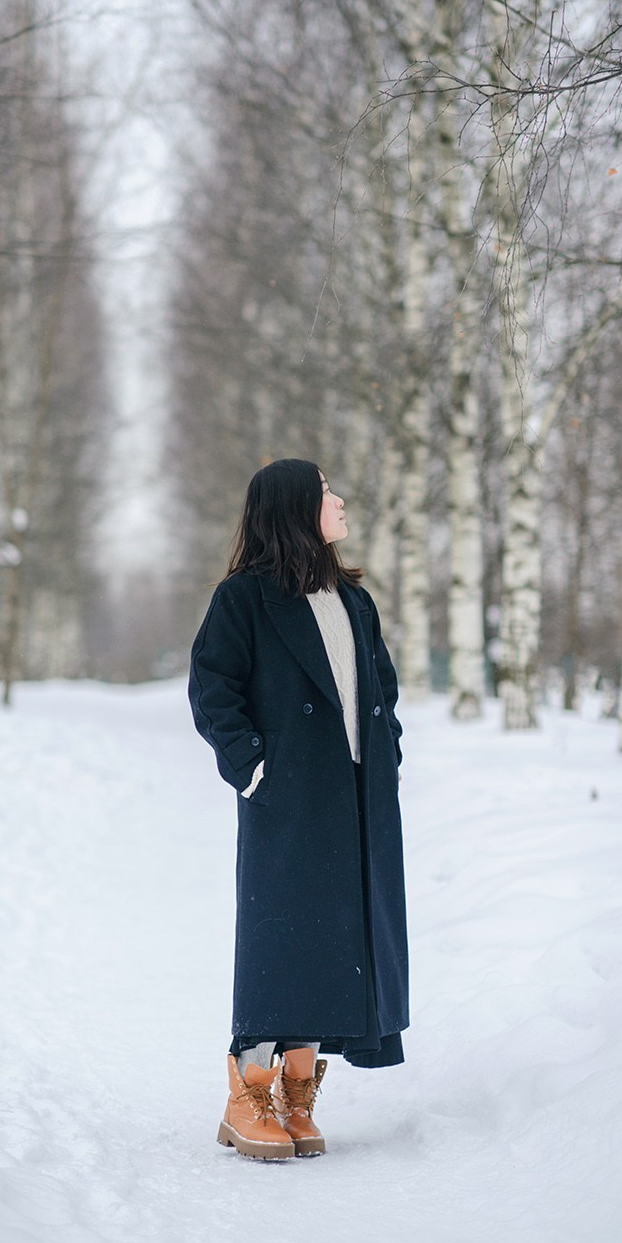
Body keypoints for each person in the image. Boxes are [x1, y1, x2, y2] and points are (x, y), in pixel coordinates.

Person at [188, 458, 409, 1161]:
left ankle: (297, 1087)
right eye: (324, 494)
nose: (339, 501)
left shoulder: (354, 601)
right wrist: (253, 766)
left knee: (337, 940)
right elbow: (212, 687)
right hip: (288, 797)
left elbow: (385, 690)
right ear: (293, 510)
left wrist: (389, 754)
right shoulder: (244, 600)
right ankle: (246, 1093)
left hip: (357, 798)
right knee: (281, 937)